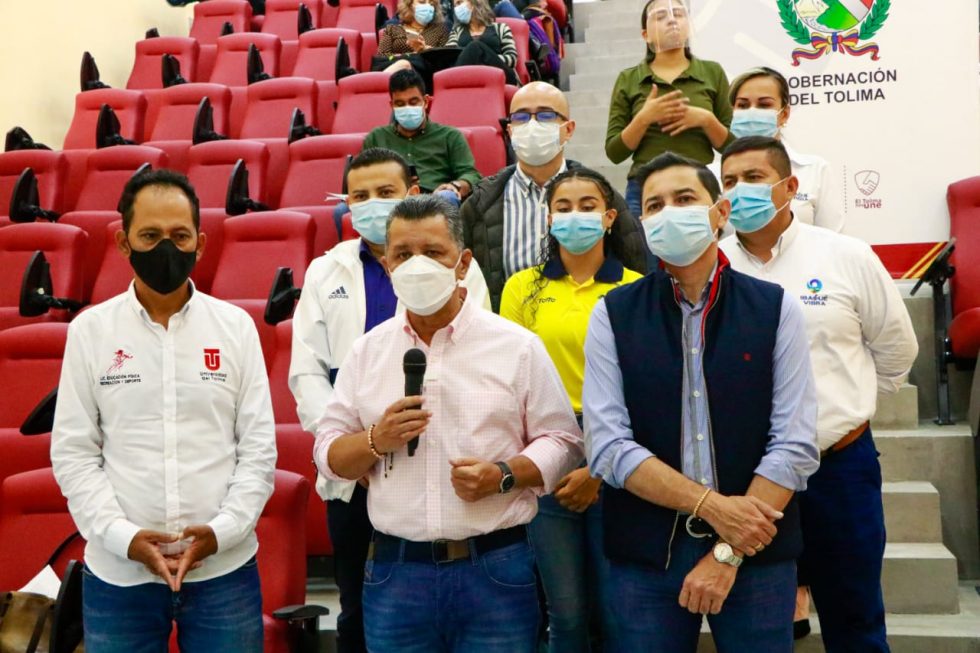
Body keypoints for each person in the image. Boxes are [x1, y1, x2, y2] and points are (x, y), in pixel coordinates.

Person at [314, 195, 583, 653]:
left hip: (495, 567)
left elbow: (563, 440)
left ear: (463, 263)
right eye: (402, 254)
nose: (417, 265)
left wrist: (503, 475)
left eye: (433, 252)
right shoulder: (367, 351)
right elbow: (328, 453)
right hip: (397, 573)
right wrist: (376, 439)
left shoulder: (516, 346)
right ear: (387, 265)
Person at [584, 152, 820, 652]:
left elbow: (793, 445)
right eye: (654, 205)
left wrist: (729, 548)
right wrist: (711, 507)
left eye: (685, 198)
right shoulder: (613, 313)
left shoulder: (775, 308)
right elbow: (607, 445)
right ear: (642, 223)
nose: (669, 212)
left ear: (720, 212)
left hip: (756, 550)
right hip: (646, 555)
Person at [51, 169, 276, 652]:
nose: (167, 249)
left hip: (223, 571)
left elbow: (258, 449)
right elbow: (73, 453)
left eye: (180, 236)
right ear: (123, 242)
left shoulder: (235, 327)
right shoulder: (91, 332)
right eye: (150, 236)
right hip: (119, 576)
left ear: (201, 243)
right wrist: (122, 537)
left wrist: (223, 532)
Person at [719, 136, 918, 652]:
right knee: (757, 628)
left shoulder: (844, 255)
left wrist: (840, 408)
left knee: (855, 620)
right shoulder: (712, 265)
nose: (740, 191)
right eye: (729, 181)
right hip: (748, 477)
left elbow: (896, 350)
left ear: (790, 187)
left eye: (754, 178)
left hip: (838, 469)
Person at [290, 148, 489, 653]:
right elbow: (306, 372)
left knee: (447, 602)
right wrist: (355, 447)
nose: (373, 203)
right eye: (360, 196)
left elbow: (478, 359)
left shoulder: (457, 265)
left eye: (386, 192)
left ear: (412, 193)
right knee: (357, 605)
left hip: (440, 461)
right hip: (354, 470)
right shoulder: (325, 271)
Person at [500, 168, 641, 652]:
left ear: (609, 217)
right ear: (548, 218)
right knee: (565, 611)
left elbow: (644, 387)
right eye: (563, 207)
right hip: (545, 445)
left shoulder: (635, 288)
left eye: (587, 206)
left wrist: (600, 468)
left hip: (619, 446)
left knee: (616, 607)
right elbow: (510, 383)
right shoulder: (521, 288)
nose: (574, 215)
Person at [462, 82, 648, 311]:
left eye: (545, 115)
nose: (532, 124)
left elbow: (634, 264)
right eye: (521, 117)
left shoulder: (602, 197)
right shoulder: (480, 204)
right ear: (510, 131)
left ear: (568, 129)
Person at [605, 0, 733, 217]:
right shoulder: (629, 79)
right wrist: (644, 118)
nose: (672, 20)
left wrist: (706, 119)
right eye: (661, 16)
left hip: (698, 184)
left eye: (679, 14)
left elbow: (732, 147)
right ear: (645, 35)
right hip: (645, 188)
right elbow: (614, 153)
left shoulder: (712, 72)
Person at [726, 67, 843, 232]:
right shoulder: (710, 176)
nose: (752, 112)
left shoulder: (815, 171)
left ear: (784, 114)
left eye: (764, 105)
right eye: (743, 105)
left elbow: (834, 239)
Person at [363, 69, 482, 208]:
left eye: (413, 102)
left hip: (435, 200)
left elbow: (471, 175)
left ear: (425, 102)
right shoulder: (376, 138)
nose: (407, 108)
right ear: (392, 105)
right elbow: (362, 178)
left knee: (447, 197)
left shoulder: (450, 136)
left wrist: (454, 186)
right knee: (343, 209)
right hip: (388, 201)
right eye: (400, 104)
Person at [447, 0, 520, 85]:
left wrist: (484, 57)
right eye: (455, 5)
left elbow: (512, 59)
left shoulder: (501, 28)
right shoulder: (456, 31)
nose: (457, 8)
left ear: (474, 2)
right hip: (467, 76)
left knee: (475, 47)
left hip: (500, 75)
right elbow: (449, 56)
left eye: (459, 2)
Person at [377, 0, 450, 75]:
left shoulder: (440, 30)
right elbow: (382, 57)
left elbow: (444, 60)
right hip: (393, 68)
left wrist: (425, 49)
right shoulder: (392, 29)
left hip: (423, 74)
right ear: (409, 5)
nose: (428, 6)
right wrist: (406, 57)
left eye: (431, 4)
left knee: (404, 64)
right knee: (403, 64)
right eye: (422, 2)